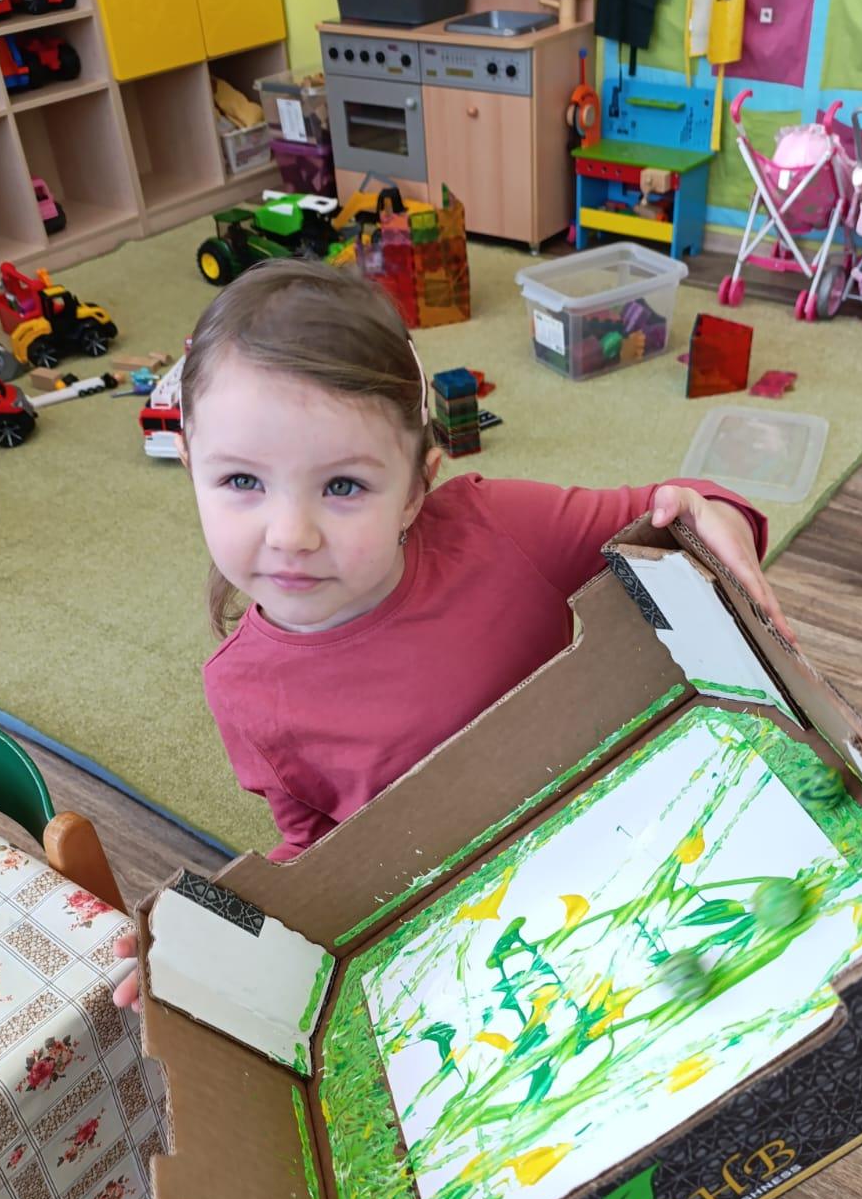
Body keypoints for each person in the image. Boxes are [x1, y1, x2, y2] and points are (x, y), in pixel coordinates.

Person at [113, 258, 792, 1008]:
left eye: (343, 486)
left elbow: (677, 510)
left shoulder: (499, 528)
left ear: (416, 489)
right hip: (486, 950)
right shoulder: (240, 690)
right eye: (242, 481)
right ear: (189, 464)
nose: (291, 534)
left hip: (646, 845)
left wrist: (717, 513)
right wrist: (222, 933)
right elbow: (316, 853)